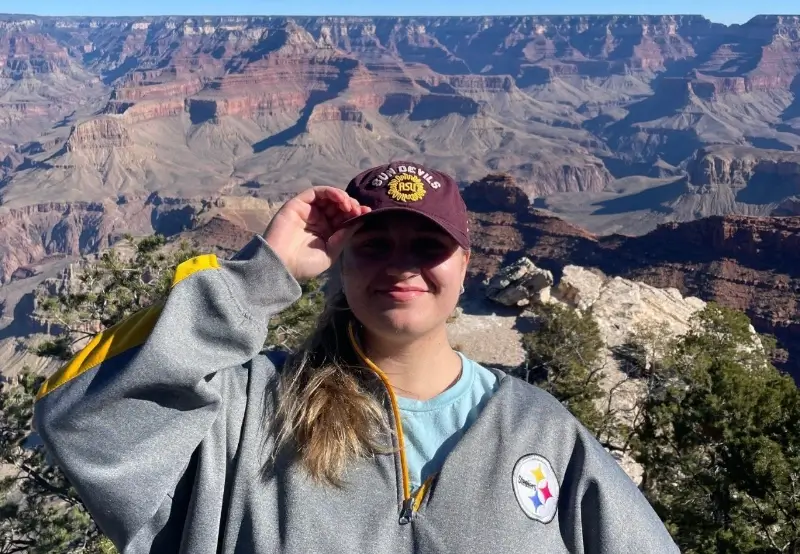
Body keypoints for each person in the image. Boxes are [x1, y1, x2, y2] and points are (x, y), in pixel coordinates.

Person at [34, 161, 680, 553]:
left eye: (426, 246)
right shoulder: (249, 410)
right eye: (374, 245)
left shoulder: (540, 433)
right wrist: (262, 273)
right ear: (338, 261)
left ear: (468, 264)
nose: (402, 267)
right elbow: (81, 419)